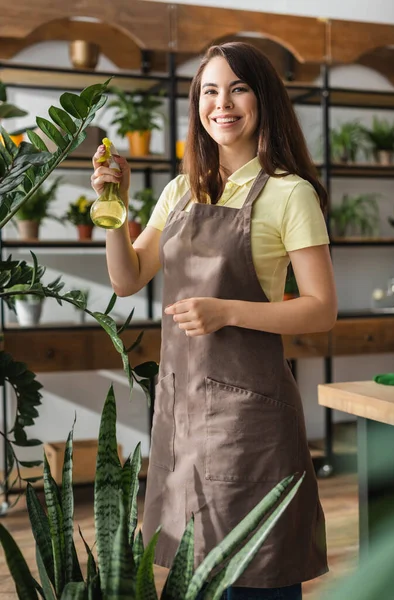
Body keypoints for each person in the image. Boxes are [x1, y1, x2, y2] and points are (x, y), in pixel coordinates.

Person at [91, 42, 337, 600]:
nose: (221, 103)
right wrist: (115, 208)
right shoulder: (180, 192)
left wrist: (225, 310)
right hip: (182, 417)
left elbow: (321, 309)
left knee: (257, 578)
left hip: (252, 422)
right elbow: (127, 279)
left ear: (263, 99)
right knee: (194, 578)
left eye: (238, 88)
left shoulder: (288, 193)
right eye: (209, 90)